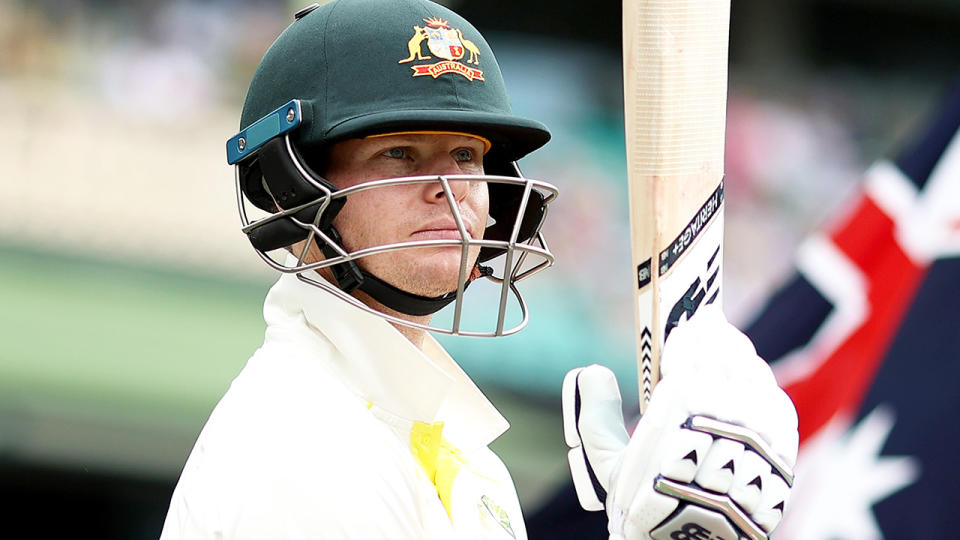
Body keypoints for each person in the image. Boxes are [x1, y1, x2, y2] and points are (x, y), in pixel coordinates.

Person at [160, 1, 798, 539]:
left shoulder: (451, 446)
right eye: (400, 152)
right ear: (289, 187)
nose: (448, 187)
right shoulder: (306, 443)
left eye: (466, 154)